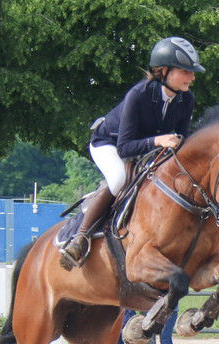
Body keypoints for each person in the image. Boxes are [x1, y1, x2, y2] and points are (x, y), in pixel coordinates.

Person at [60, 37, 205, 270]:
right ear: (164, 71)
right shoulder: (139, 95)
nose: (192, 77)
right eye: (185, 71)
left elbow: (181, 140)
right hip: (109, 143)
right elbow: (124, 148)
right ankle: (81, 237)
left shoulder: (186, 99)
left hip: (146, 150)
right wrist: (158, 140)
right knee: (120, 178)